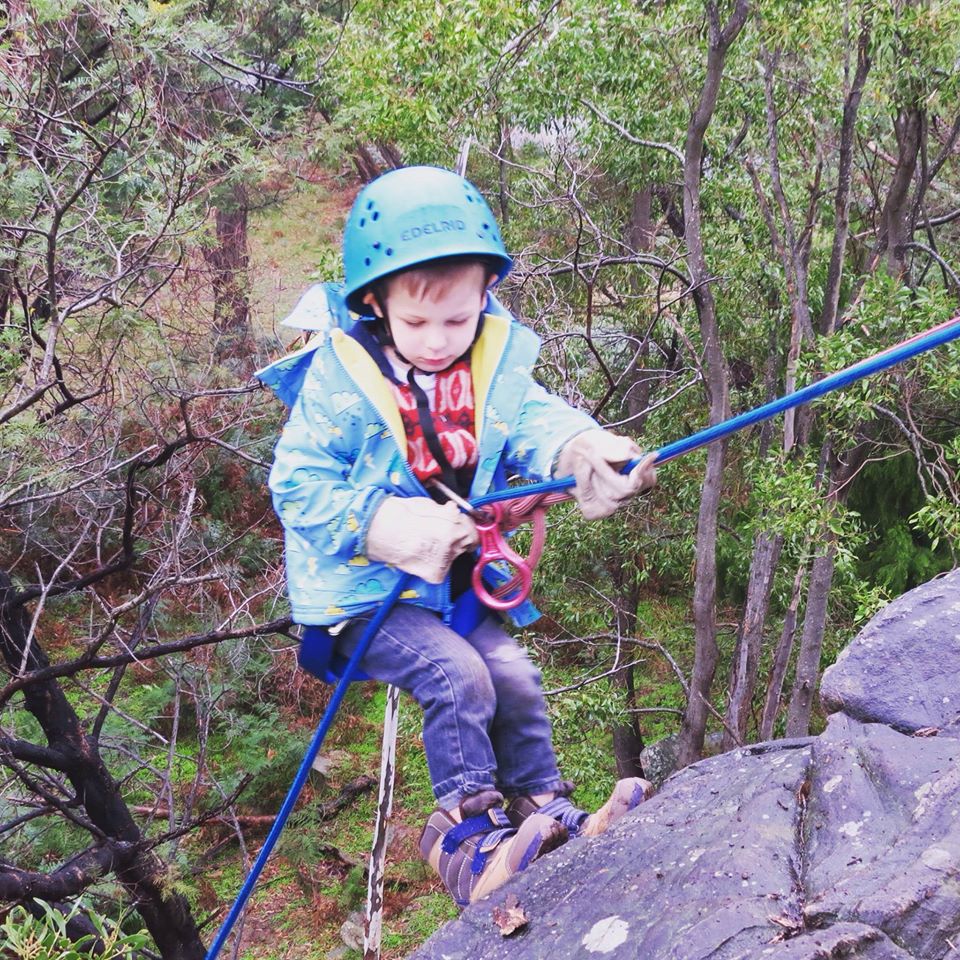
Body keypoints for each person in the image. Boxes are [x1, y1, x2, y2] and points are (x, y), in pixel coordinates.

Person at [266, 166, 657, 907]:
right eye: (417, 324)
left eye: (459, 318)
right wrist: (382, 526)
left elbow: (535, 419)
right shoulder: (341, 383)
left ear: (486, 294)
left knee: (511, 672)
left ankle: (544, 813)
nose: (440, 341)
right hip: (362, 598)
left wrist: (582, 451)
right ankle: (465, 838)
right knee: (458, 676)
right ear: (375, 304)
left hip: (444, 590)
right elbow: (296, 486)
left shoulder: (489, 364)